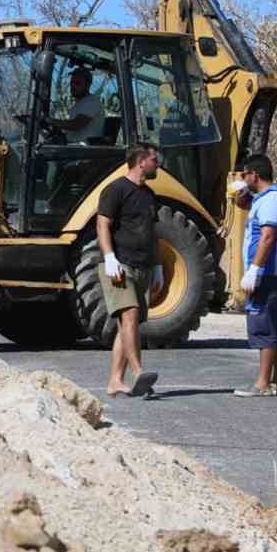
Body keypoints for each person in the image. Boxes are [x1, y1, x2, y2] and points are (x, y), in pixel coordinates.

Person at [96, 142, 165, 398]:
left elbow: (153, 232)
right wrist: (109, 257)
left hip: (144, 266)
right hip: (120, 265)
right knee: (130, 316)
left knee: (126, 325)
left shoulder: (148, 194)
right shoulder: (115, 190)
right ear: (141, 161)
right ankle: (137, 372)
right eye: (155, 159)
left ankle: (115, 380)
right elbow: (102, 225)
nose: (158, 164)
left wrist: (158, 265)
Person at [233, 153, 277, 397]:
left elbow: (267, 236)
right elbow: (249, 208)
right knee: (276, 327)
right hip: (275, 273)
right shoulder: (269, 198)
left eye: (245, 174)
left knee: (263, 324)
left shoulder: (271, 201)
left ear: (254, 175)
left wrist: (254, 270)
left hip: (266, 273)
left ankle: (262, 384)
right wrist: (242, 197)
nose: (243, 178)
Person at [49, 66, 107, 143]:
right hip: (73, 147)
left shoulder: (92, 102)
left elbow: (76, 125)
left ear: (88, 85)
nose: (73, 86)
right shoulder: (79, 104)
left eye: (77, 83)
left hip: (84, 152)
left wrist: (51, 121)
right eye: (71, 83)